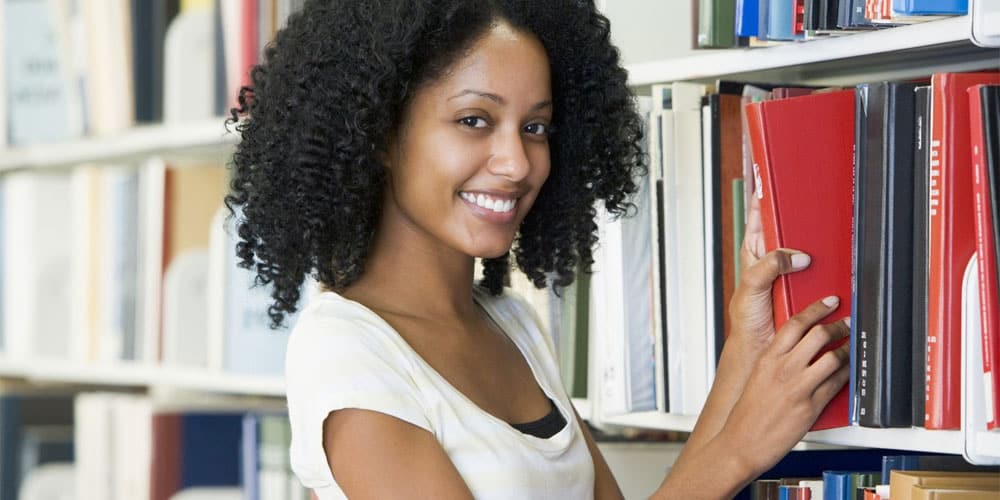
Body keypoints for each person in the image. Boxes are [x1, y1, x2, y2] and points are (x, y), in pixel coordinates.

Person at [226, 0, 851, 498]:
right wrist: (742, 447)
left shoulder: (512, 325)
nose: (516, 162)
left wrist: (748, 345)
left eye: (536, 127)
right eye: (474, 120)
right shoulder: (349, 351)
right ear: (381, 133)